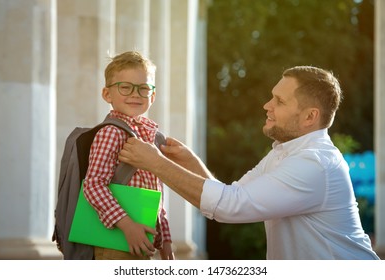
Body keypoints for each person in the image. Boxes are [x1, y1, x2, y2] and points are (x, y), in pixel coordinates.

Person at [118, 65, 380, 260]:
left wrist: (155, 163)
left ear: (310, 116)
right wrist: (190, 162)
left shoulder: (315, 163)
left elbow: (230, 206)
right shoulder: (285, 152)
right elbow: (230, 198)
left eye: (279, 101)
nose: (267, 105)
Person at [83, 51, 174, 260]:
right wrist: (127, 225)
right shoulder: (111, 132)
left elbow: (155, 192)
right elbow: (94, 185)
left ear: (152, 96)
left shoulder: (150, 136)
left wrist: (166, 239)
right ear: (107, 94)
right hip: (115, 241)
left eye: (143, 88)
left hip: (142, 239)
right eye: (125, 87)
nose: (135, 94)